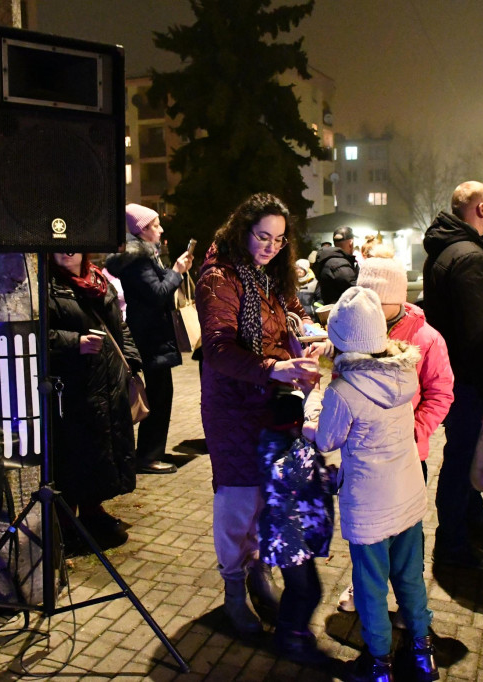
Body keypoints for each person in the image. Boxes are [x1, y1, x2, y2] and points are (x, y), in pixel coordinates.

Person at [196, 192, 322, 636]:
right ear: (241, 229)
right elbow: (217, 350)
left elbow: (296, 317)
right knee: (238, 500)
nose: (270, 247)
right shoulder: (219, 277)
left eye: (279, 240)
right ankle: (234, 591)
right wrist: (274, 366)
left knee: (269, 497)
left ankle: (256, 572)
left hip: (272, 403)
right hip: (233, 407)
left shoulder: (272, 276)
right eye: (262, 236)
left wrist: (314, 338)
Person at [304, 287, 437, 682]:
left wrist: (313, 401)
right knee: (410, 578)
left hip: (370, 505)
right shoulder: (403, 370)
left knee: (370, 587)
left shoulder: (344, 392)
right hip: (409, 494)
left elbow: (327, 439)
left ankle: (379, 664)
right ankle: (423, 652)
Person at [336, 245, 455, 613]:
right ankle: (364, 590)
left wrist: (416, 431)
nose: (367, 306)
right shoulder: (357, 330)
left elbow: (441, 392)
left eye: (375, 299)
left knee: (407, 538)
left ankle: (409, 606)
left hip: (406, 457)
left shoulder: (427, 339)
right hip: (362, 458)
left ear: (395, 299)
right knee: (366, 535)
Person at [423, 180, 483, 570]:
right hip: (468, 381)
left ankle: (473, 521)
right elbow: (479, 334)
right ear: (479, 208)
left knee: (468, 451)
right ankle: (452, 545)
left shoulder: (443, 251)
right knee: (460, 461)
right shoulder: (470, 258)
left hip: (452, 375)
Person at [47, 252, 140, 550]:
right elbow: (38, 334)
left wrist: (133, 362)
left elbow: (120, 326)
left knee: (103, 446)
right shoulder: (47, 286)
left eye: (74, 246)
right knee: (73, 451)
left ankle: (92, 509)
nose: (67, 251)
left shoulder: (99, 280)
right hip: (74, 385)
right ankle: (65, 520)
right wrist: (75, 343)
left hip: (109, 380)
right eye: (61, 246)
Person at [106, 204, 194, 475]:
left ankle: (150, 451)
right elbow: (157, 294)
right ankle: (148, 456)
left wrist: (175, 272)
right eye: (156, 225)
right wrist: (177, 271)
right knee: (158, 396)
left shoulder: (147, 257)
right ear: (142, 230)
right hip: (150, 336)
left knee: (161, 394)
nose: (161, 229)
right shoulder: (139, 260)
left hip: (153, 334)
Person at [258, 389, 335, 663]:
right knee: (305, 590)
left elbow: (314, 476)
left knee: (307, 590)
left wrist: (331, 476)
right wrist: (307, 444)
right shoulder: (273, 449)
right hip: (288, 538)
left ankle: (292, 630)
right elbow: (288, 476)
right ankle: (290, 636)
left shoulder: (294, 446)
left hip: (302, 536)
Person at [311, 226, 358, 304]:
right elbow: (354, 292)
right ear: (351, 243)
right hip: (341, 311)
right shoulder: (340, 265)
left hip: (331, 309)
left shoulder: (326, 260)